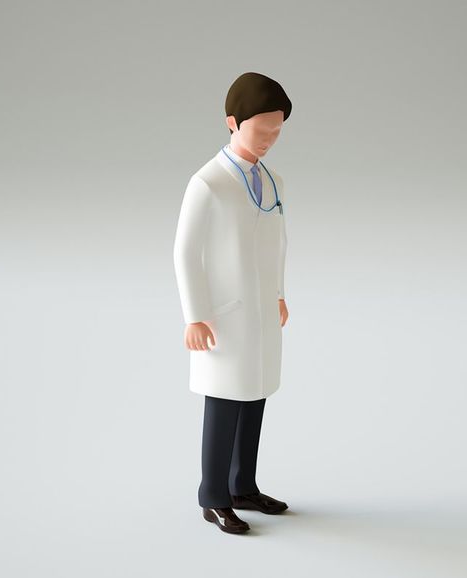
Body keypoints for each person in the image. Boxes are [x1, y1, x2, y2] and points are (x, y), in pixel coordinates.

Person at [173, 72, 293, 534]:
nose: (268, 140)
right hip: (224, 317)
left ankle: (243, 485)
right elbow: (185, 252)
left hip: (261, 312)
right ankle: (214, 496)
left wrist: (279, 293)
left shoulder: (273, 181)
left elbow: (278, 242)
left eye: (276, 132)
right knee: (224, 403)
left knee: (255, 396)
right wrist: (195, 316)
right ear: (232, 122)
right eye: (261, 130)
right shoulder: (208, 183)